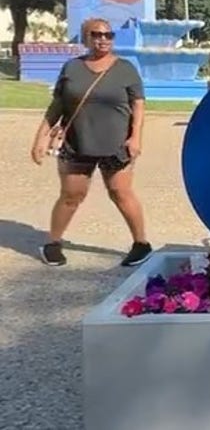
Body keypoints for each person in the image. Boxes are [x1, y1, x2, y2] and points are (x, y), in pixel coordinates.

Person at [30, 17, 153, 268]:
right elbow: (58, 105)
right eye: (96, 34)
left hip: (116, 144)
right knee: (71, 195)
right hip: (78, 143)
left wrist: (135, 137)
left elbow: (138, 106)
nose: (103, 39)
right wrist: (40, 137)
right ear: (85, 38)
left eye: (108, 35)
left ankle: (141, 244)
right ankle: (53, 243)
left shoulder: (125, 68)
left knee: (121, 193)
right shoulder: (72, 68)